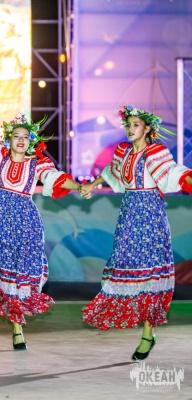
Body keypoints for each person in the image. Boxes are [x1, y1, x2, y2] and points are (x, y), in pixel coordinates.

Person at [80, 105, 192, 361]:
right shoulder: (124, 153)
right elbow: (111, 171)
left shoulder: (156, 152)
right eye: (128, 125)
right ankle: (144, 325)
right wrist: (91, 185)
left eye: (136, 125)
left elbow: (175, 173)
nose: (130, 129)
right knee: (124, 267)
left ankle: (147, 335)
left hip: (150, 215)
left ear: (147, 128)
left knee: (151, 274)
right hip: (129, 215)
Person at [0, 111, 85, 350]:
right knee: (7, 276)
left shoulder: (37, 164)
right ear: (8, 140)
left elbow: (55, 178)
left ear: (30, 141)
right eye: (16, 136)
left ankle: (17, 327)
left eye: (25, 137)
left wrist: (79, 186)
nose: (21, 140)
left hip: (26, 223)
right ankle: (16, 326)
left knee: (20, 274)